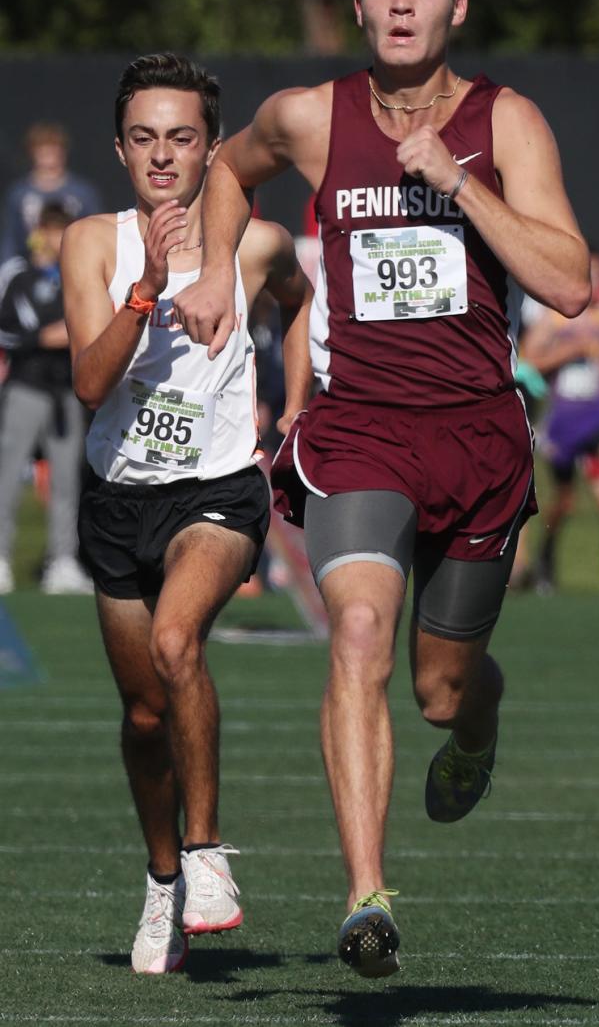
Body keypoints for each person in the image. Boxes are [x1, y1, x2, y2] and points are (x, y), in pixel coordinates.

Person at [172, 0, 590, 978]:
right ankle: (367, 895)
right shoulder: (311, 117)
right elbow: (224, 169)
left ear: (457, 2)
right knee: (357, 632)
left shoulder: (507, 123)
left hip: (479, 442)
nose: (402, 4)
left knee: (441, 688)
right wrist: (222, 266)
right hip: (359, 430)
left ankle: (477, 724)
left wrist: (457, 184)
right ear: (356, 5)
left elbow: (568, 283)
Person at [60, 52, 312, 974]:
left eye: (182, 137)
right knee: (141, 717)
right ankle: (162, 879)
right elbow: (91, 382)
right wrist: (148, 288)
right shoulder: (93, 241)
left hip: (216, 491)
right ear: (120, 149)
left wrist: (294, 405)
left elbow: (298, 298)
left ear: (213, 147)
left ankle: (207, 856)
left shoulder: (256, 242)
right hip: (119, 497)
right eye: (144, 138)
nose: (163, 155)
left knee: (178, 644)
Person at [520, 250, 599, 592]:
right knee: (564, 501)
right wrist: (572, 349)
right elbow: (528, 361)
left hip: (598, 414)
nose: (598, 282)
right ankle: (545, 561)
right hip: (563, 420)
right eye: (591, 274)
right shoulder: (553, 319)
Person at [0, 203, 93, 595]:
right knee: (8, 475)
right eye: (52, 231)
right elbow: (15, 332)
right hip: (26, 388)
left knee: (66, 480)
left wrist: (65, 332)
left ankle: (62, 561)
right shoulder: (19, 275)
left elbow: (88, 326)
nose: (58, 240)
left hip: (66, 391)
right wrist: (49, 335)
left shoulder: (78, 277)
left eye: (63, 231)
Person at [1, 122, 102, 265]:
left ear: (63, 152)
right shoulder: (19, 194)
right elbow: (10, 240)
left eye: (53, 150)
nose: (48, 157)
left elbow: (94, 234)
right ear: (32, 153)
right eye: (42, 151)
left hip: (73, 264)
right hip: (30, 268)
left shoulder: (82, 193)